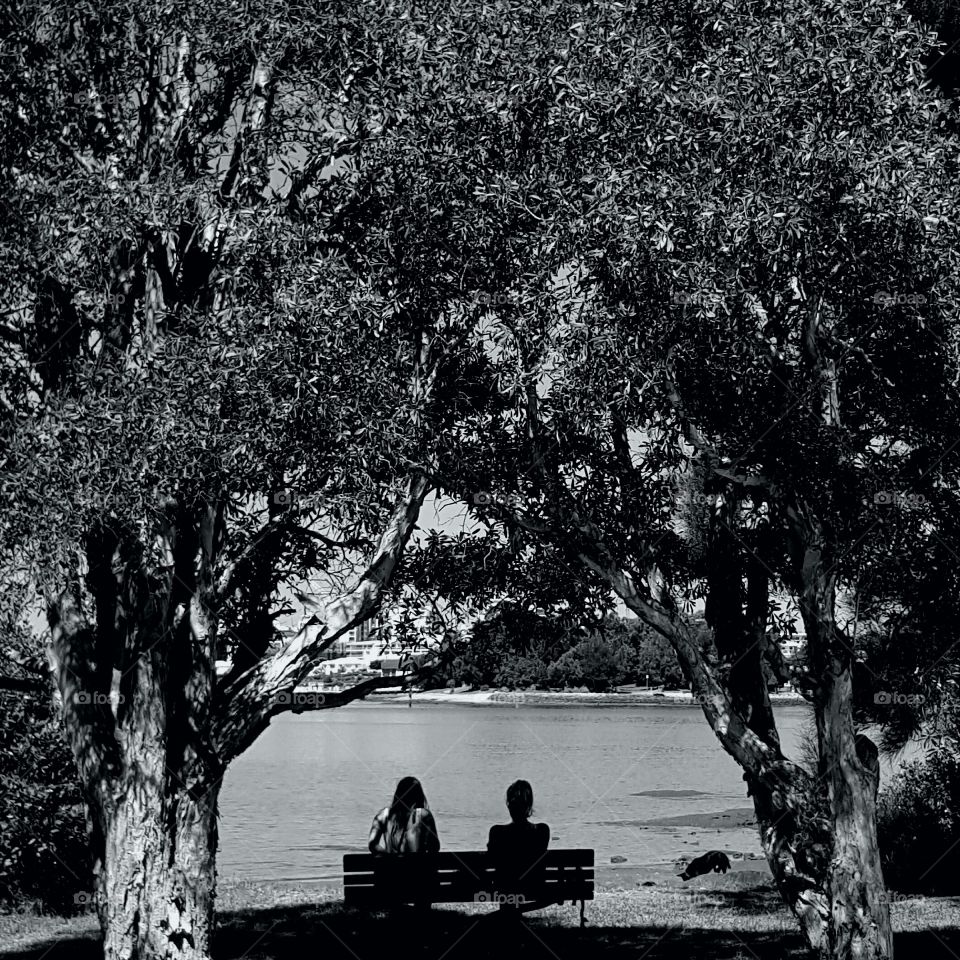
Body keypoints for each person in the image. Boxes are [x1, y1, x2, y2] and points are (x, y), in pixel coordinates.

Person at [486, 779, 552, 914]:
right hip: (535, 885)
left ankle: (509, 918)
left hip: (504, 887)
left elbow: (492, 858)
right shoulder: (542, 831)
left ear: (509, 806)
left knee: (506, 881)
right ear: (529, 805)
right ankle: (512, 917)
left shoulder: (497, 832)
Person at [368, 776, 441, 855]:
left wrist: (389, 857)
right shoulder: (423, 815)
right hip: (418, 866)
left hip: (391, 867)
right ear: (418, 796)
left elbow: (372, 845)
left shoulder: (383, 815)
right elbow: (434, 847)